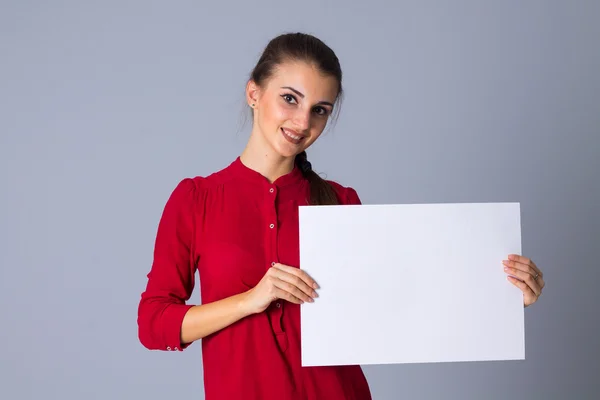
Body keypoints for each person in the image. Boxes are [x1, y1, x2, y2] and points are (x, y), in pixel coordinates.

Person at [137, 32, 545, 400]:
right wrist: (250, 301)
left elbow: (398, 305)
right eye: (290, 98)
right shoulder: (197, 199)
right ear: (253, 92)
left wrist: (505, 300)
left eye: (320, 110)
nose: (302, 122)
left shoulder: (341, 202)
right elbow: (154, 324)